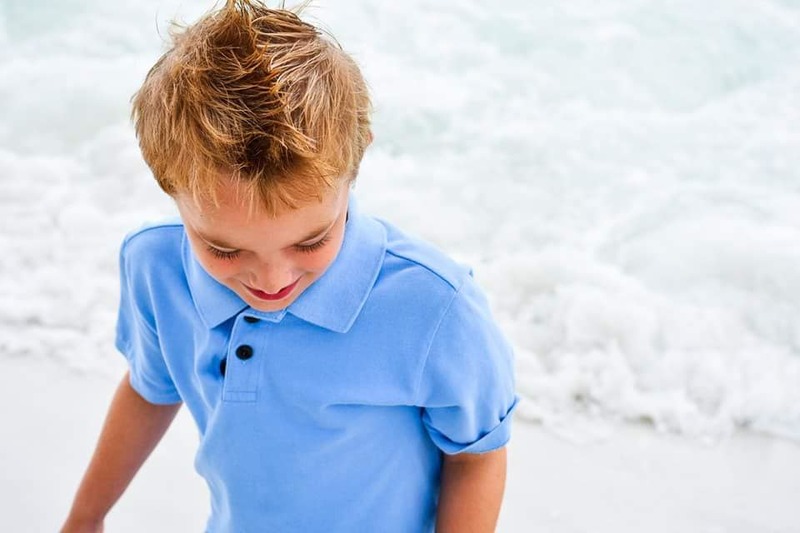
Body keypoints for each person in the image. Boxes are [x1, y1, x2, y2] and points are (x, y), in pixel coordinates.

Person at [61, 1, 518, 531]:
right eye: (226, 250)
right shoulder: (155, 266)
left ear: (356, 161)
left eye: (312, 240)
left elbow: (476, 455)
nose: (271, 281)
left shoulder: (435, 307)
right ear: (166, 181)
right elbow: (149, 388)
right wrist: (84, 518)